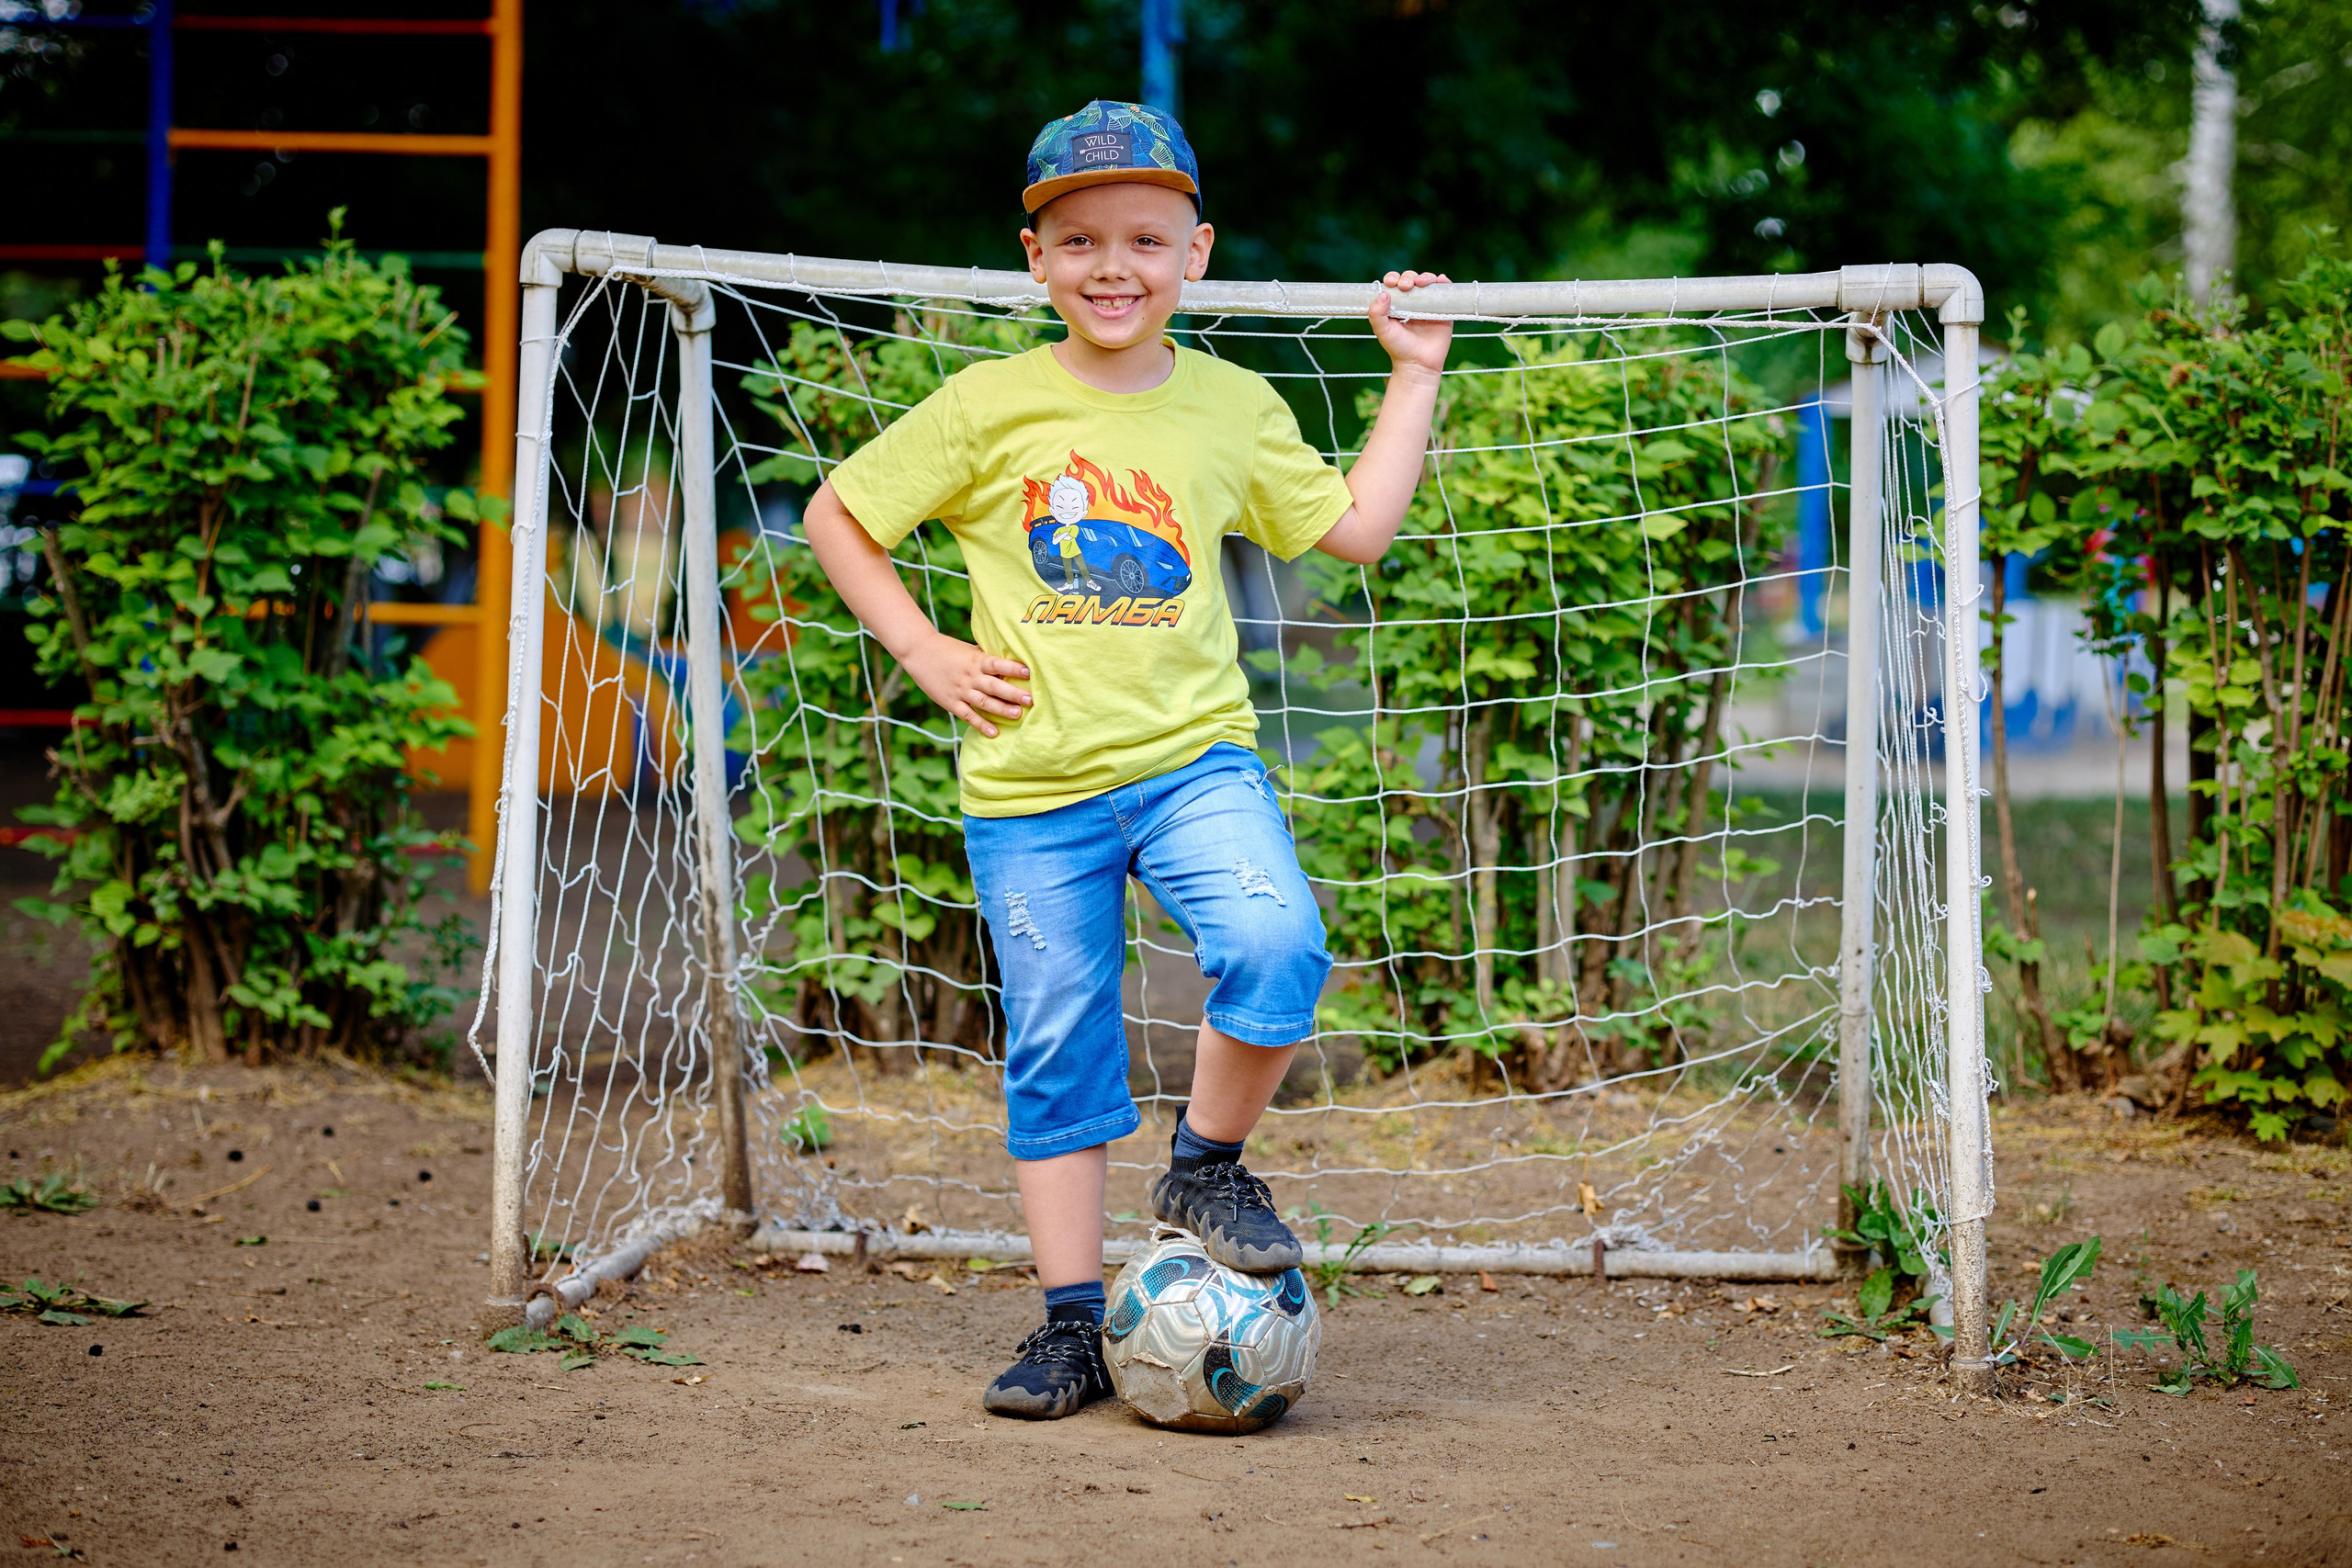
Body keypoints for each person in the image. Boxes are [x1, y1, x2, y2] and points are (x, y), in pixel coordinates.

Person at [802, 98, 1452, 1420]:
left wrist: (1416, 370)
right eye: (1081, 239)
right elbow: (838, 515)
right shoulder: (988, 405)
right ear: (1034, 259)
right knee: (1060, 1050)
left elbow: (1360, 530)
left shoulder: (1231, 406)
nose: (1114, 266)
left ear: (1196, 254)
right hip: (1032, 790)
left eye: (1146, 239)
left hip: (1193, 761)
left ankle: (1206, 1164)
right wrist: (925, 650)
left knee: (1276, 947)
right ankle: (1069, 1327)